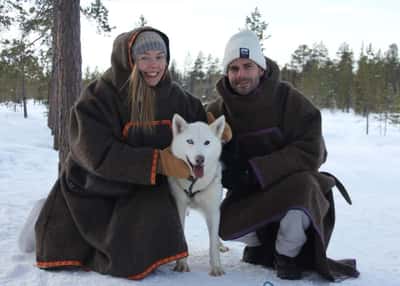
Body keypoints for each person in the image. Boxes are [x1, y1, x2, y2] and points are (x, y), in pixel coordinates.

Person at [34, 27, 209, 280]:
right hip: (96, 185)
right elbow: (95, 152)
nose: (154, 65)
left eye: (160, 57)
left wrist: (212, 129)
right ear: (128, 60)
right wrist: (157, 162)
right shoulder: (99, 96)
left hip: (142, 186)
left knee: (157, 201)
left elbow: (198, 119)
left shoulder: (176, 96)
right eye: (144, 57)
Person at [206, 30, 360, 281]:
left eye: (248, 66)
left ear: (261, 68)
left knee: (304, 187)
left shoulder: (289, 99)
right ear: (226, 72)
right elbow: (196, 136)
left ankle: (286, 254)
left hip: (294, 192)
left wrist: (255, 170)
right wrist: (225, 169)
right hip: (250, 196)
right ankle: (261, 245)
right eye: (234, 68)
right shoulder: (218, 110)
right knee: (222, 223)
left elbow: (312, 150)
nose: (241, 75)